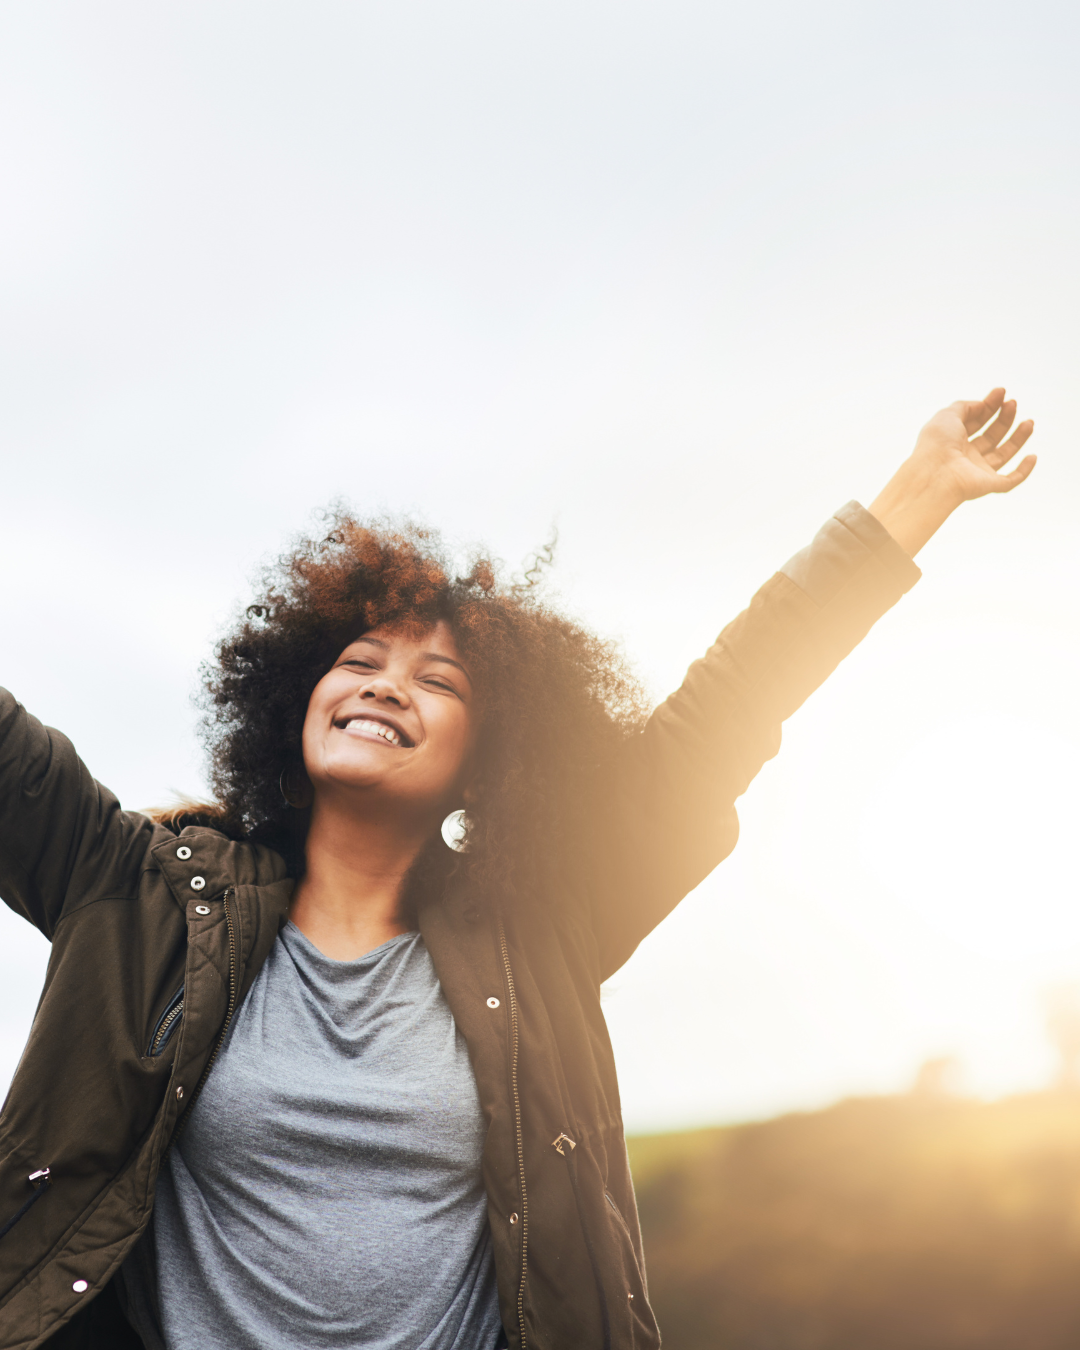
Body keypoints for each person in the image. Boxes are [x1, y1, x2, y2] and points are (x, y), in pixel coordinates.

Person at [0, 390, 1035, 1350]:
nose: (386, 687)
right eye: (359, 662)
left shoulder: (544, 926)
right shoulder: (139, 891)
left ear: (490, 761)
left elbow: (727, 703)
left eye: (435, 680)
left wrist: (921, 491)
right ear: (296, 698)